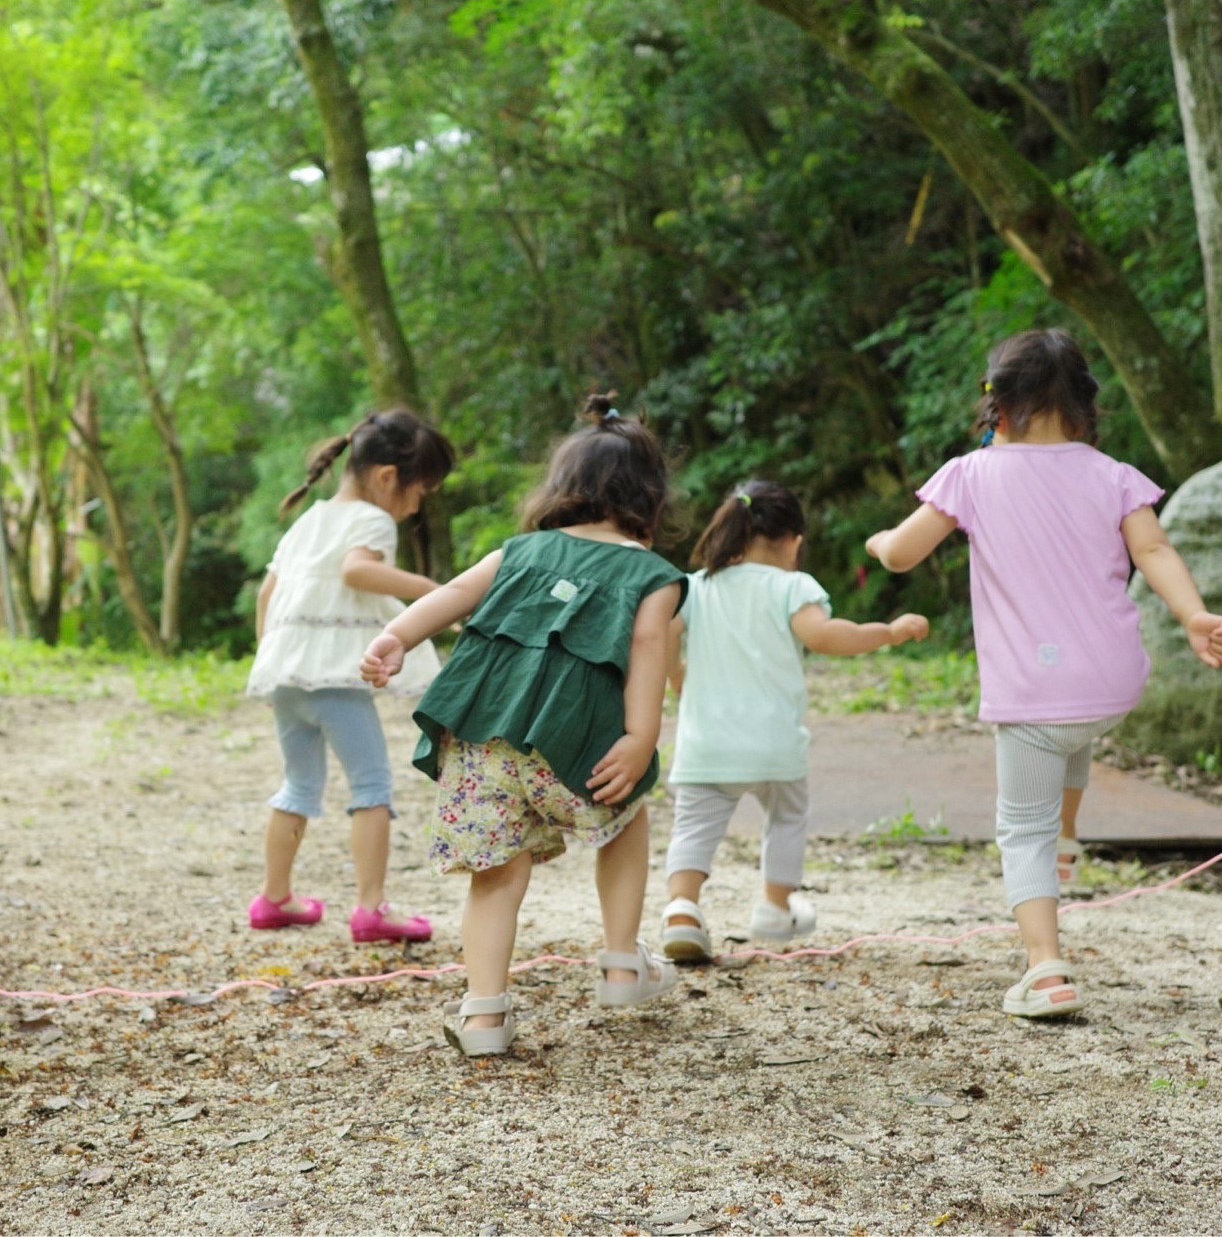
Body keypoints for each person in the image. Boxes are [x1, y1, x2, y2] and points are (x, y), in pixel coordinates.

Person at [864, 329, 1222, 1019]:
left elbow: (900, 556)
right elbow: (1153, 549)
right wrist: (1191, 615)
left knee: (1021, 828)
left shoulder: (969, 475)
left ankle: (1044, 967)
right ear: (1086, 409)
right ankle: (1068, 832)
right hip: (1111, 683)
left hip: (1034, 696)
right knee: (1074, 731)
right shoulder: (1114, 476)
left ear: (995, 407)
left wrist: (878, 540)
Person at [360, 396, 686, 1056]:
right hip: (576, 748)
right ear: (647, 498)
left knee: (497, 874)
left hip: (481, 743)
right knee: (627, 818)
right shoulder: (653, 574)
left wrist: (396, 635)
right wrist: (640, 738)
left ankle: (483, 1017)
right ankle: (622, 962)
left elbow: (451, 595)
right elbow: (651, 648)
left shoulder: (520, 551)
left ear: (562, 489)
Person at [659, 481, 930, 963]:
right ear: (792, 541)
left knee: (694, 827)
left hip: (707, 745)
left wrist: (678, 674)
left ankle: (682, 911)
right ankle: (774, 906)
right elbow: (825, 636)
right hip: (773, 744)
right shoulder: (791, 586)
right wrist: (888, 633)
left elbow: (659, 635)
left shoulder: (696, 586)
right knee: (785, 818)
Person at [246, 408, 455, 943]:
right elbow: (356, 571)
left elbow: (267, 595)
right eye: (419, 493)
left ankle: (274, 898)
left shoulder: (309, 520)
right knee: (372, 786)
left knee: (298, 783)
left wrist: (273, 656)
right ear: (388, 477)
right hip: (336, 678)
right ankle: (370, 909)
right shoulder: (371, 520)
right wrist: (433, 590)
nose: (415, 508)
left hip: (289, 675)